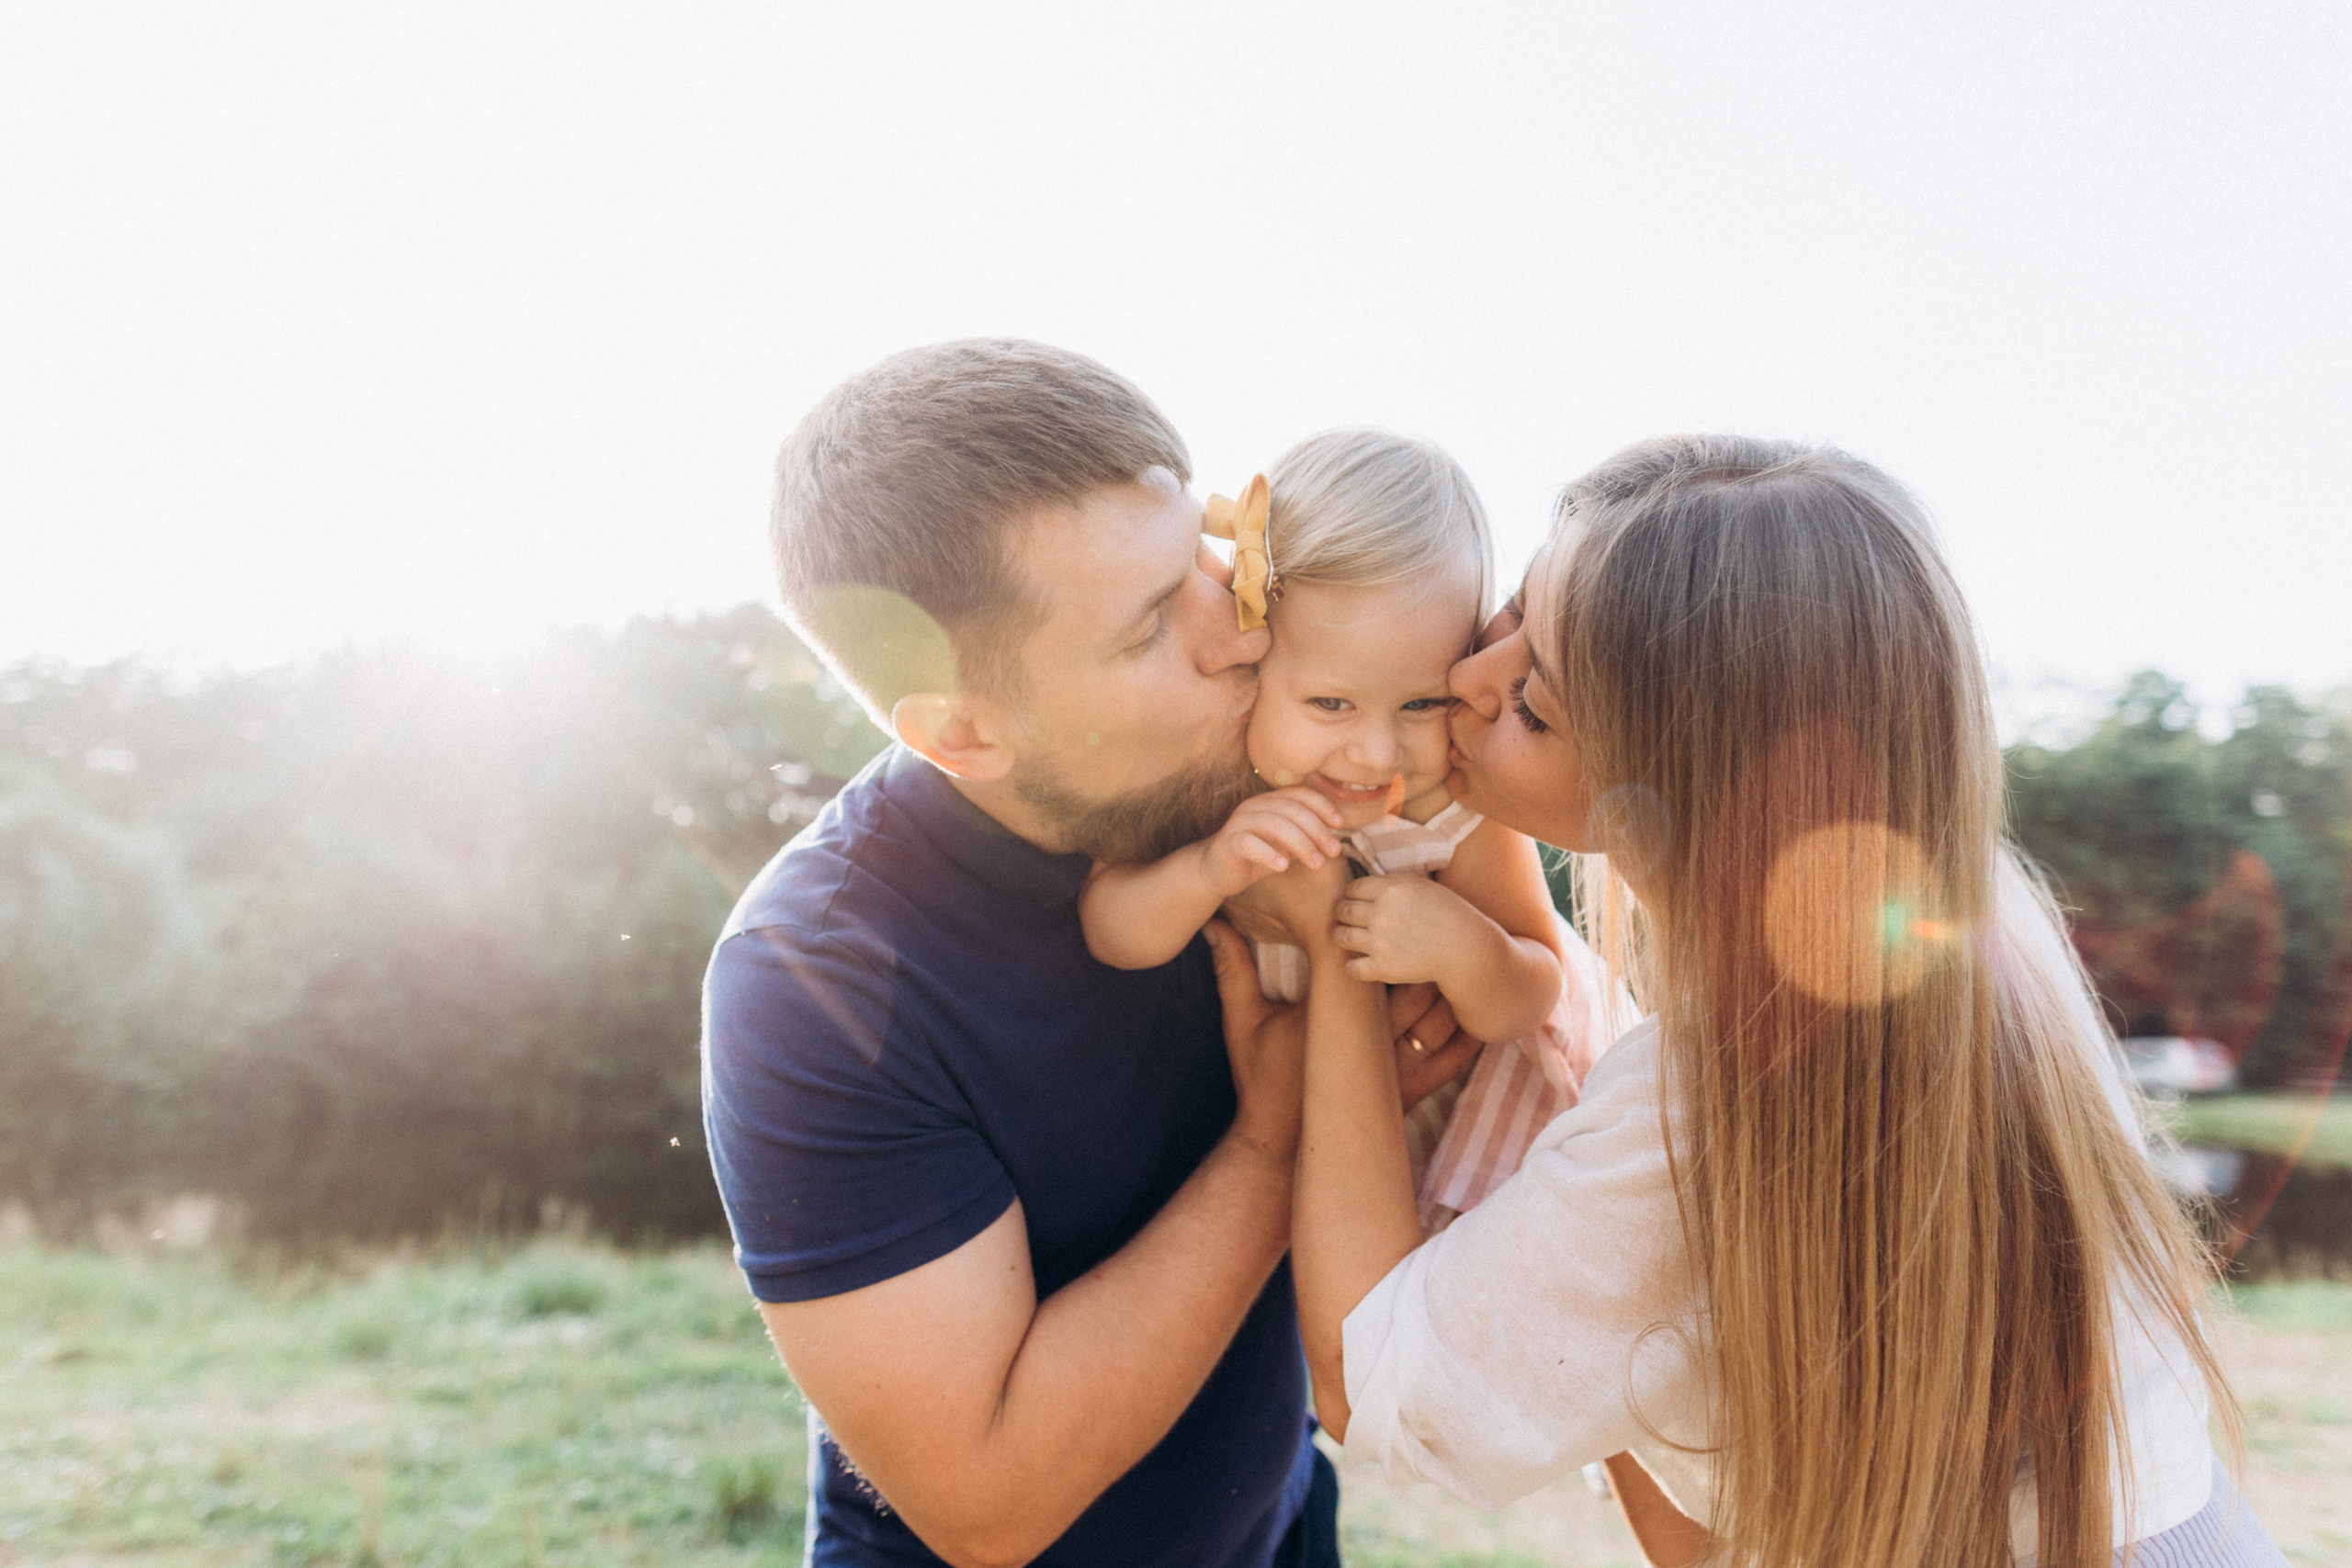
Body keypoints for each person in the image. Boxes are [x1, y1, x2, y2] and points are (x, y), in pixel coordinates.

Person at [1275, 435, 2287, 1567]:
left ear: (1675, 793)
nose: (1466, 673)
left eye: (1533, 706)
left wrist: (1327, 949)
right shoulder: (1972, 922)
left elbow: (1377, 1385)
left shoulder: (1704, 1111)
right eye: (1510, 609)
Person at [699, 340, 1474, 1568]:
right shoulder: (816, 979)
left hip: (1285, 1531)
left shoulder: (1266, 774)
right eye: (1145, 628)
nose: (1236, 632)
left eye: (1206, 561)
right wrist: (1286, 1132)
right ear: (965, 728)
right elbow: (985, 1497)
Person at [1080, 429, 1623, 1230]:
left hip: (1474, 1147)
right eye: (1331, 703)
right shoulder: (1214, 789)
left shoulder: (1449, 810)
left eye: (1420, 704)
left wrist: (1463, 945)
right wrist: (1207, 869)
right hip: (1308, 1132)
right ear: (1252, 663)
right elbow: (1111, 929)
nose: (1374, 751)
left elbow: (1536, 987)